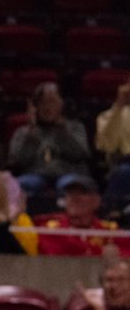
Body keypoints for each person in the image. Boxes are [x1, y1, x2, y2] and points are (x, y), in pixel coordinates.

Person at [8, 82, 91, 195]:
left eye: (51, 101)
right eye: (42, 102)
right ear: (35, 107)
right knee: (22, 184)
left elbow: (80, 154)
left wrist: (62, 131)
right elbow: (17, 161)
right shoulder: (23, 132)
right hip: (35, 174)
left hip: (67, 173)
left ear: (61, 104)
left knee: (70, 185)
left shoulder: (75, 127)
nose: (47, 107)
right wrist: (31, 134)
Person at [38, 175, 130, 257]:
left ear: (96, 201)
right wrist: (101, 252)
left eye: (82, 193)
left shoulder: (109, 231)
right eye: (70, 193)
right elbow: (61, 251)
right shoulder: (51, 230)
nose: (75, 198)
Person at [95, 77, 130, 211]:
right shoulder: (107, 117)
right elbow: (107, 146)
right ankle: (109, 214)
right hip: (123, 163)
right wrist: (119, 105)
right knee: (125, 172)